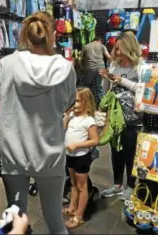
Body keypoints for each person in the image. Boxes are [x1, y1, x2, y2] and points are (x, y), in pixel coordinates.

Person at [0, 11, 77, 234]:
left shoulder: (7, 65)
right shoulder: (65, 68)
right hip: (51, 153)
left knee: (16, 217)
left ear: (25, 35)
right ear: (51, 36)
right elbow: (69, 101)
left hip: (15, 152)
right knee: (54, 219)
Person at [99, 31, 142, 201]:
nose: (116, 53)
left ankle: (131, 186)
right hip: (115, 117)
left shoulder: (140, 66)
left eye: (119, 50)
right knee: (116, 151)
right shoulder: (114, 65)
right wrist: (106, 78)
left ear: (129, 48)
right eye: (115, 49)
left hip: (133, 118)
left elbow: (143, 90)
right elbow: (107, 89)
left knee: (131, 153)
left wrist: (122, 81)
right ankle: (117, 185)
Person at [62, 88, 99, 229]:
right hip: (70, 156)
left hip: (81, 157)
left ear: (86, 102)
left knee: (82, 186)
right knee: (73, 183)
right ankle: (72, 207)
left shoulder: (89, 120)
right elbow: (62, 129)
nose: (74, 104)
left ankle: (79, 215)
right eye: (73, 101)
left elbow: (95, 140)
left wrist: (78, 144)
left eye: (77, 101)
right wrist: (66, 116)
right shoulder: (71, 116)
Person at [80, 36, 112, 104]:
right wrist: (110, 67)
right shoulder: (102, 46)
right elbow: (108, 57)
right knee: (99, 87)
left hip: (90, 68)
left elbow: (81, 59)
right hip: (101, 68)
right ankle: (102, 104)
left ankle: (85, 103)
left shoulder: (86, 46)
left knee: (86, 86)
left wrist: (82, 67)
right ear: (100, 40)